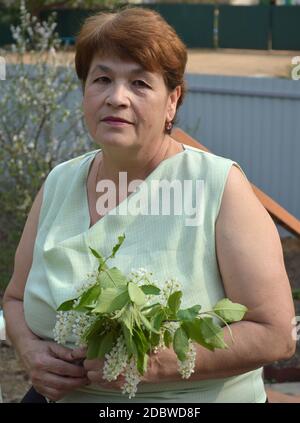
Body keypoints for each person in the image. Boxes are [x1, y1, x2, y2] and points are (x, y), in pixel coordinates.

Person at [3, 7, 296, 403]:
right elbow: (16, 299)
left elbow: (275, 335)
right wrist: (30, 351)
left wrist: (159, 362)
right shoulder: (59, 182)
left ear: (172, 100)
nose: (116, 98)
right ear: (85, 92)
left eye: (139, 83)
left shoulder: (219, 186)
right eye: (102, 79)